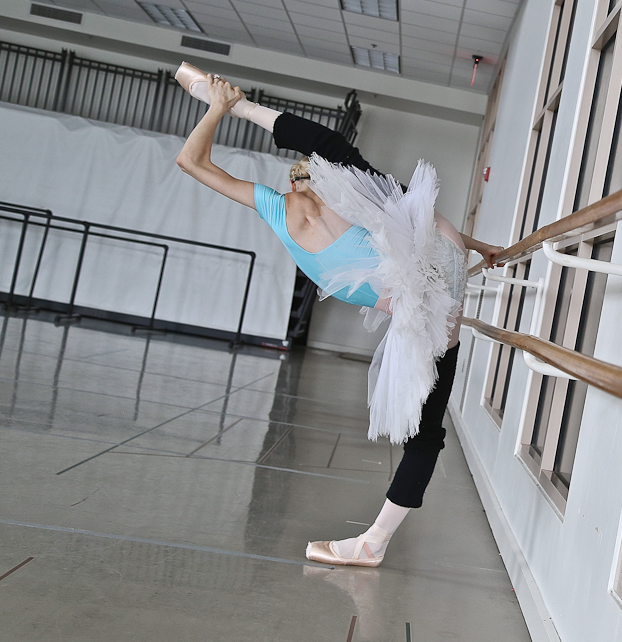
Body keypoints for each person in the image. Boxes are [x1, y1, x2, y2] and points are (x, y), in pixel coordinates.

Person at [173, 64, 501, 567]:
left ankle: (373, 543)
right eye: (310, 173)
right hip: (433, 278)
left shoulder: (301, 204)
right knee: (426, 430)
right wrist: (221, 105)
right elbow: (415, 229)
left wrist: (219, 107)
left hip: (431, 282)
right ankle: (373, 542)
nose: (310, 177)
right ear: (307, 180)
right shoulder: (312, 199)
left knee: (427, 431)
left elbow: (192, 163)